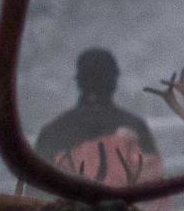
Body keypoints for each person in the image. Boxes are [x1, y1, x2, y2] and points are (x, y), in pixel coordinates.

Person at [33, 47, 164, 191]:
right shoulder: (135, 126)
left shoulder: (52, 132)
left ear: (78, 81)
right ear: (114, 80)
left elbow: (37, 195)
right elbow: (155, 191)